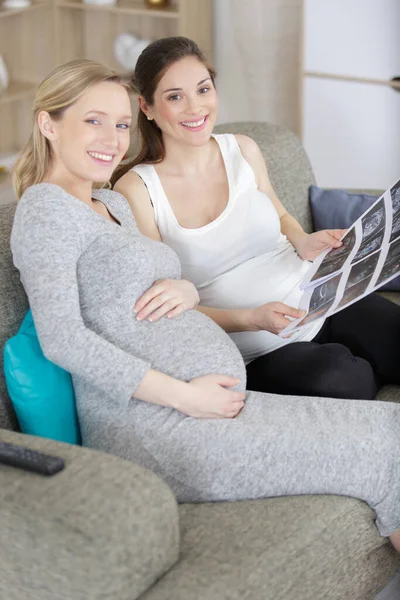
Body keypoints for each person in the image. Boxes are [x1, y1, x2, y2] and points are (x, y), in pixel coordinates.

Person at [10, 59, 400, 551]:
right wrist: (183, 396)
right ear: (49, 123)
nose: (112, 139)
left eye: (121, 124)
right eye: (94, 120)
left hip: (209, 406)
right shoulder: (44, 211)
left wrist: (188, 290)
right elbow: (62, 339)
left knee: (394, 430)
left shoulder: (109, 204)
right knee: (383, 458)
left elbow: (162, 285)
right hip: (158, 428)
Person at [113, 36, 400, 400]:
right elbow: (169, 307)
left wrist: (303, 240)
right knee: (344, 380)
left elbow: (280, 214)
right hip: (257, 344)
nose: (195, 107)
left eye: (203, 89)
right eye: (175, 97)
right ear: (147, 107)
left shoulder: (243, 149)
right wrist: (251, 318)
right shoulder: (138, 191)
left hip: (319, 297)